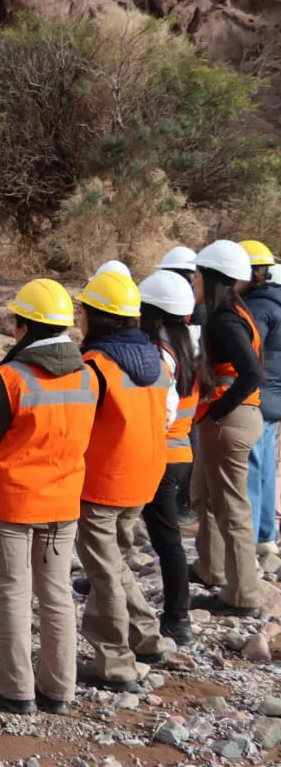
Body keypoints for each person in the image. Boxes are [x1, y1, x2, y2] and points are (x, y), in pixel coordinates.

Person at [0, 279, 98, 716]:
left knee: (13, 593)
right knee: (57, 595)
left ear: (25, 327)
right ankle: (59, 691)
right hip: (63, 503)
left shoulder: (11, 377)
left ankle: (17, 690)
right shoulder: (88, 375)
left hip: (12, 503)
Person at [74, 270, 170, 692]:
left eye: (84, 311)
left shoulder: (96, 366)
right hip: (142, 479)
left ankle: (115, 662)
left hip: (103, 483)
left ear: (98, 317)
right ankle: (146, 636)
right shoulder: (154, 359)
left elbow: (77, 428)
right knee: (115, 562)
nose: (79, 318)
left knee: (104, 572)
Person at [189, 240, 266, 618]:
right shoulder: (231, 312)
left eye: (198, 275)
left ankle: (242, 595)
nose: (194, 282)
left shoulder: (225, 319)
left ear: (213, 278)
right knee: (204, 494)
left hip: (228, 421)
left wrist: (219, 409)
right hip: (227, 420)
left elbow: (251, 372)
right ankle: (212, 569)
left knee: (231, 509)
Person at [135, 271, 199, 645]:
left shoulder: (160, 355)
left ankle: (177, 617)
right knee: (167, 539)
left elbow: (162, 411)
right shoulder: (188, 347)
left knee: (165, 539)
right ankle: (177, 614)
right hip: (182, 453)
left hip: (160, 453)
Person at [156, 246, 205, 525]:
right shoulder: (195, 312)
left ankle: (184, 504)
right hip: (191, 400)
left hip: (183, 405)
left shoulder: (188, 317)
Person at [240, 240, 281, 556]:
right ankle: (266, 534)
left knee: (253, 467)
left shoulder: (257, 307)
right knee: (266, 464)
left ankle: (250, 540)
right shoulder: (276, 302)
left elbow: (249, 356)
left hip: (261, 395)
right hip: (275, 395)